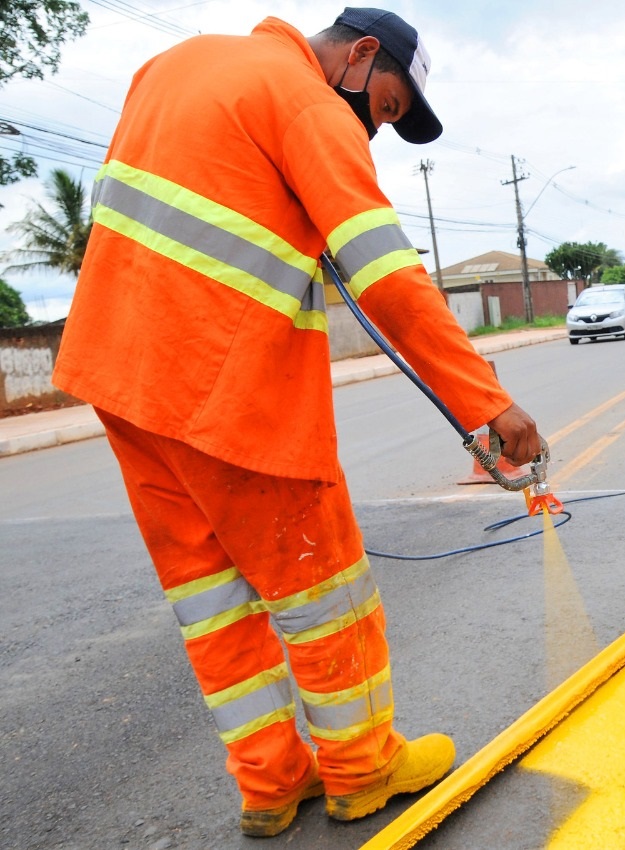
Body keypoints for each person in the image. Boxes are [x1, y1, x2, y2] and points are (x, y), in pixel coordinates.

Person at [52, 7, 542, 837]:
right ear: (358, 57)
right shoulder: (310, 104)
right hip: (222, 388)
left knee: (214, 605)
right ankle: (361, 770)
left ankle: (272, 785)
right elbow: (386, 274)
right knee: (327, 593)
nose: (377, 134)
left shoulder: (176, 66)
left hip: (118, 375)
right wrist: (485, 400)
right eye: (385, 110)